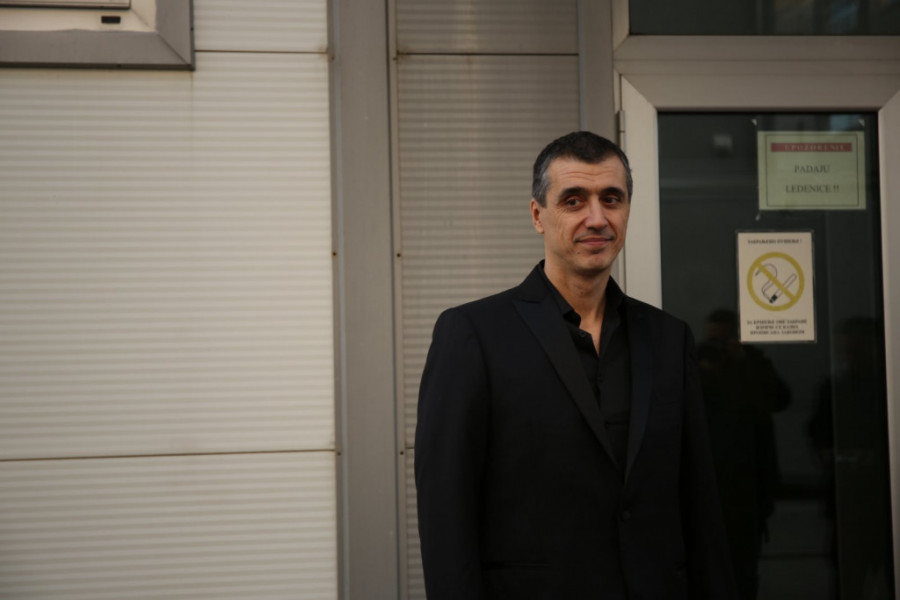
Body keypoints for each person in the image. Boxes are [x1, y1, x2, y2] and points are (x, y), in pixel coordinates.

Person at [414, 131, 736, 599]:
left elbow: (699, 500)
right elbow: (446, 511)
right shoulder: (472, 334)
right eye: (573, 200)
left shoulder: (669, 338)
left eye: (612, 198)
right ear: (537, 215)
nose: (597, 218)